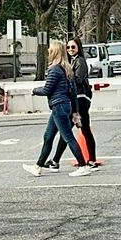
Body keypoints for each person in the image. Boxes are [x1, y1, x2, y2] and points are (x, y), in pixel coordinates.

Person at [23, 41, 92, 178]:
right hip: (64, 105)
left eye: (50, 50)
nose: (48, 52)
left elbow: (47, 90)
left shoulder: (54, 69)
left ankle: (83, 165)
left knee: (68, 137)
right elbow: (73, 93)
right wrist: (75, 111)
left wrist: (34, 90)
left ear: (54, 52)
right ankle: (38, 166)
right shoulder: (67, 69)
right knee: (48, 136)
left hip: (58, 106)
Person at [47, 37, 98, 169]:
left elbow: (77, 80)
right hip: (75, 99)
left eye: (73, 47)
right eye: (68, 47)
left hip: (81, 99)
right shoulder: (70, 61)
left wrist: (64, 83)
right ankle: (56, 160)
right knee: (70, 131)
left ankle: (89, 160)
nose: (70, 49)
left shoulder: (80, 61)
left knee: (79, 130)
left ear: (78, 48)